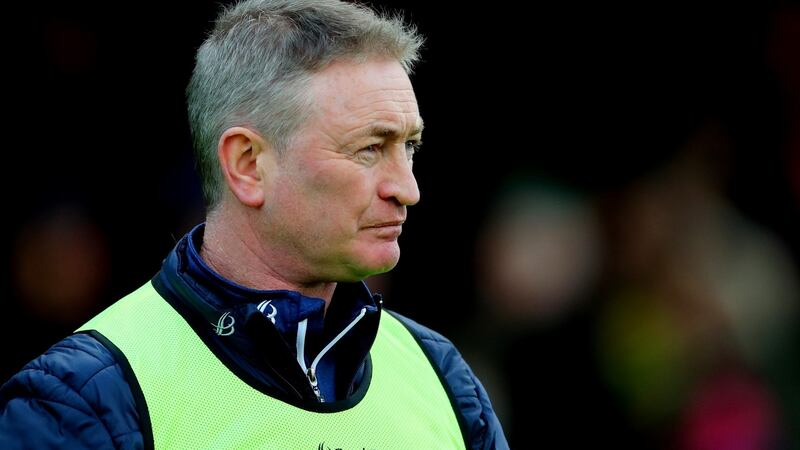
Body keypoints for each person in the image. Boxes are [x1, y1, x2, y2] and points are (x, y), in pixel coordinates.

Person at [0, 0, 508, 448]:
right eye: (370, 148)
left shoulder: (439, 374)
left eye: (410, 147)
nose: (408, 189)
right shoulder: (84, 399)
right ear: (247, 164)